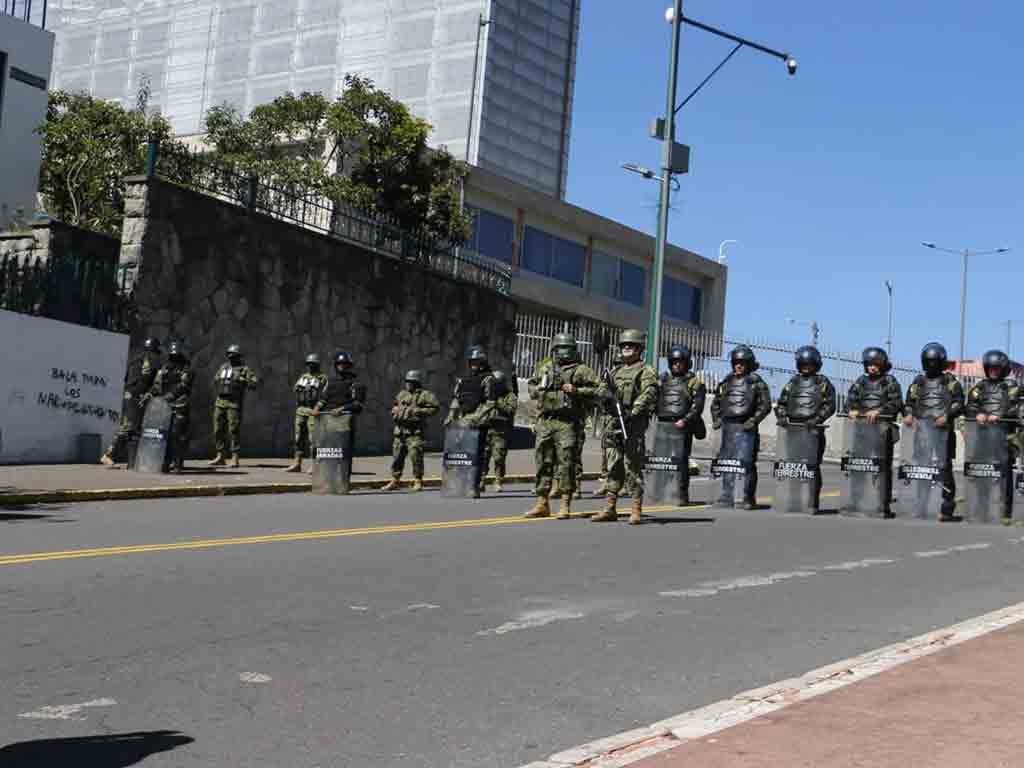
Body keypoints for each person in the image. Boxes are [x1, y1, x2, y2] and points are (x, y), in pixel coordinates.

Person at [524, 333, 599, 519]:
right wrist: (537, 390)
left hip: (567, 422)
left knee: (566, 463)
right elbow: (532, 385)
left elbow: (599, 390)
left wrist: (577, 390)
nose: (563, 352)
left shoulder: (581, 370)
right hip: (546, 420)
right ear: (554, 350)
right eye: (560, 348)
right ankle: (542, 503)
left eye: (567, 348)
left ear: (574, 350)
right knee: (542, 461)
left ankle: (565, 503)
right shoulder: (546, 367)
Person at [592, 329, 659, 524]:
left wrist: (634, 411)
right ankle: (610, 507)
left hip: (633, 424)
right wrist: (605, 396)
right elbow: (600, 389)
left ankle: (636, 508)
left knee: (633, 466)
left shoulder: (646, 370)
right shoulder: (614, 371)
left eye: (631, 345)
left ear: (639, 349)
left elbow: (649, 393)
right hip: (614, 423)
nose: (627, 348)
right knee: (614, 466)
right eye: (624, 346)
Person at [902, 343, 964, 521]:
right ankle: (921, 506)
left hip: (943, 432)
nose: (931, 366)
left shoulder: (950, 381)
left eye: (935, 362)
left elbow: (959, 402)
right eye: (928, 362)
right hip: (922, 432)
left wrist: (947, 415)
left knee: (944, 469)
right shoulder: (918, 381)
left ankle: (946, 508)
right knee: (922, 469)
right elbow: (909, 402)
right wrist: (908, 414)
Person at [774, 345, 837, 511]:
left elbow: (829, 405)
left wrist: (816, 419)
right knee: (793, 467)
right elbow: (782, 403)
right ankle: (793, 500)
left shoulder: (822, 382)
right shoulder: (793, 382)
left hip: (812, 430)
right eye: (803, 365)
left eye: (809, 365)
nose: (805, 368)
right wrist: (782, 417)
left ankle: (811, 502)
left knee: (810, 467)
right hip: (792, 429)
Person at [710, 345, 773, 509]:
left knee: (746, 463)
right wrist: (716, 419)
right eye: (736, 362)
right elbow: (716, 403)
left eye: (742, 363)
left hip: (746, 428)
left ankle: (747, 497)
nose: (738, 366)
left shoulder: (756, 382)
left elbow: (765, 405)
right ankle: (726, 495)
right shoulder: (727, 381)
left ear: (749, 364)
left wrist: (753, 420)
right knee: (726, 462)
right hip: (728, 428)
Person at [846, 346, 904, 518]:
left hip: (882, 431)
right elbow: (850, 400)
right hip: (862, 430)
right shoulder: (860, 381)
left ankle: (881, 505)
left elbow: (896, 403)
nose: (872, 367)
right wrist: (852, 409)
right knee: (859, 467)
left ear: (882, 365)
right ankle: (855, 502)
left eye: (875, 364)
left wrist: (879, 411)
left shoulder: (890, 381)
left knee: (881, 469)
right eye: (869, 364)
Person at [964, 349, 1021, 524]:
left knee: (1003, 475)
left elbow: (1015, 407)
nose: (993, 371)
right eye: (990, 368)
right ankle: (982, 511)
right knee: (982, 473)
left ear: (1003, 369)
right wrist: (979, 413)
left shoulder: (1012, 387)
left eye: (996, 368)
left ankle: (1004, 512)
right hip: (982, 437)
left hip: (1005, 437)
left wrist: (1000, 414)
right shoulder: (979, 387)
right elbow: (970, 406)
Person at [655, 345, 707, 505]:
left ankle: (681, 494)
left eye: (681, 362)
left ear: (687, 364)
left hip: (682, 426)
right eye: (675, 362)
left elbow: (697, 407)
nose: (677, 364)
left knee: (681, 461)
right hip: (663, 425)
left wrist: (684, 420)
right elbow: (655, 400)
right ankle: (659, 491)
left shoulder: (694, 383)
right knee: (661, 460)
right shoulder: (663, 380)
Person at [101, 336, 162, 466]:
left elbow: (127, 379)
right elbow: (149, 379)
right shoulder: (151, 359)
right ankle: (109, 454)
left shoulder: (135, 360)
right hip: (137, 396)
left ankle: (132, 461)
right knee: (128, 426)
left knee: (133, 428)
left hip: (129, 394)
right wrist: (147, 394)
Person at [445, 346, 496, 499]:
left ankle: (474, 486)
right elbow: (456, 398)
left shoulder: (488, 379)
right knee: (460, 455)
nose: (474, 365)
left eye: (477, 362)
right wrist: (451, 416)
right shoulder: (465, 380)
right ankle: (458, 485)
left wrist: (475, 419)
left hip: (478, 422)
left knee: (476, 456)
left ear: (482, 362)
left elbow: (490, 403)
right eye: (472, 362)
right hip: (463, 420)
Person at [382, 370, 441, 492]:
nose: (408, 384)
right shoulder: (402, 394)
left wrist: (418, 411)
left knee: (415, 456)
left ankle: (418, 480)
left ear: (416, 382)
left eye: (411, 382)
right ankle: (395, 480)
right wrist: (395, 410)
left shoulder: (425, 395)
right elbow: (394, 405)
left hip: (415, 432)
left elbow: (435, 408)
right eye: (407, 381)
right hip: (400, 431)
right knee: (397, 456)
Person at [209, 343, 260, 468]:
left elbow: (254, 383)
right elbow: (215, 380)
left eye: (234, 355)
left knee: (233, 431)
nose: (231, 357)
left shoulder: (244, 369)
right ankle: (220, 455)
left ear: (238, 356)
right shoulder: (223, 367)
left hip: (233, 403)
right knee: (218, 429)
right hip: (220, 401)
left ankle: (235, 457)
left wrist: (244, 380)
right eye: (229, 354)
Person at [146, 341, 194, 474]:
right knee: (165, 436)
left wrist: (171, 395)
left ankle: (178, 463)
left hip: (180, 405)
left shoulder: (186, 369)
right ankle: (165, 463)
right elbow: (157, 384)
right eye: (172, 355)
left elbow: (184, 385)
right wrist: (150, 394)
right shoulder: (165, 367)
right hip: (165, 406)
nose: (173, 358)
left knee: (177, 436)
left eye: (176, 355)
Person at [284, 353, 328, 474]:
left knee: (313, 439)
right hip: (301, 410)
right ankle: (297, 463)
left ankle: (315, 464)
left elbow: (325, 396)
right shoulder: (304, 377)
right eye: (308, 364)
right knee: (298, 438)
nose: (310, 366)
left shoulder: (322, 378)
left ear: (317, 365)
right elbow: (296, 389)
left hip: (313, 411)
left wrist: (318, 408)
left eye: (312, 364)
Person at [481, 370, 517, 493]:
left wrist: (497, 403)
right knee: (483, 457)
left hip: (500, 431)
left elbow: (511, 410)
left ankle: (498, 480)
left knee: (499, 457)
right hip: (487, 429)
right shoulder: (487, 394)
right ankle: (481, 480)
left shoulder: (509, 396)